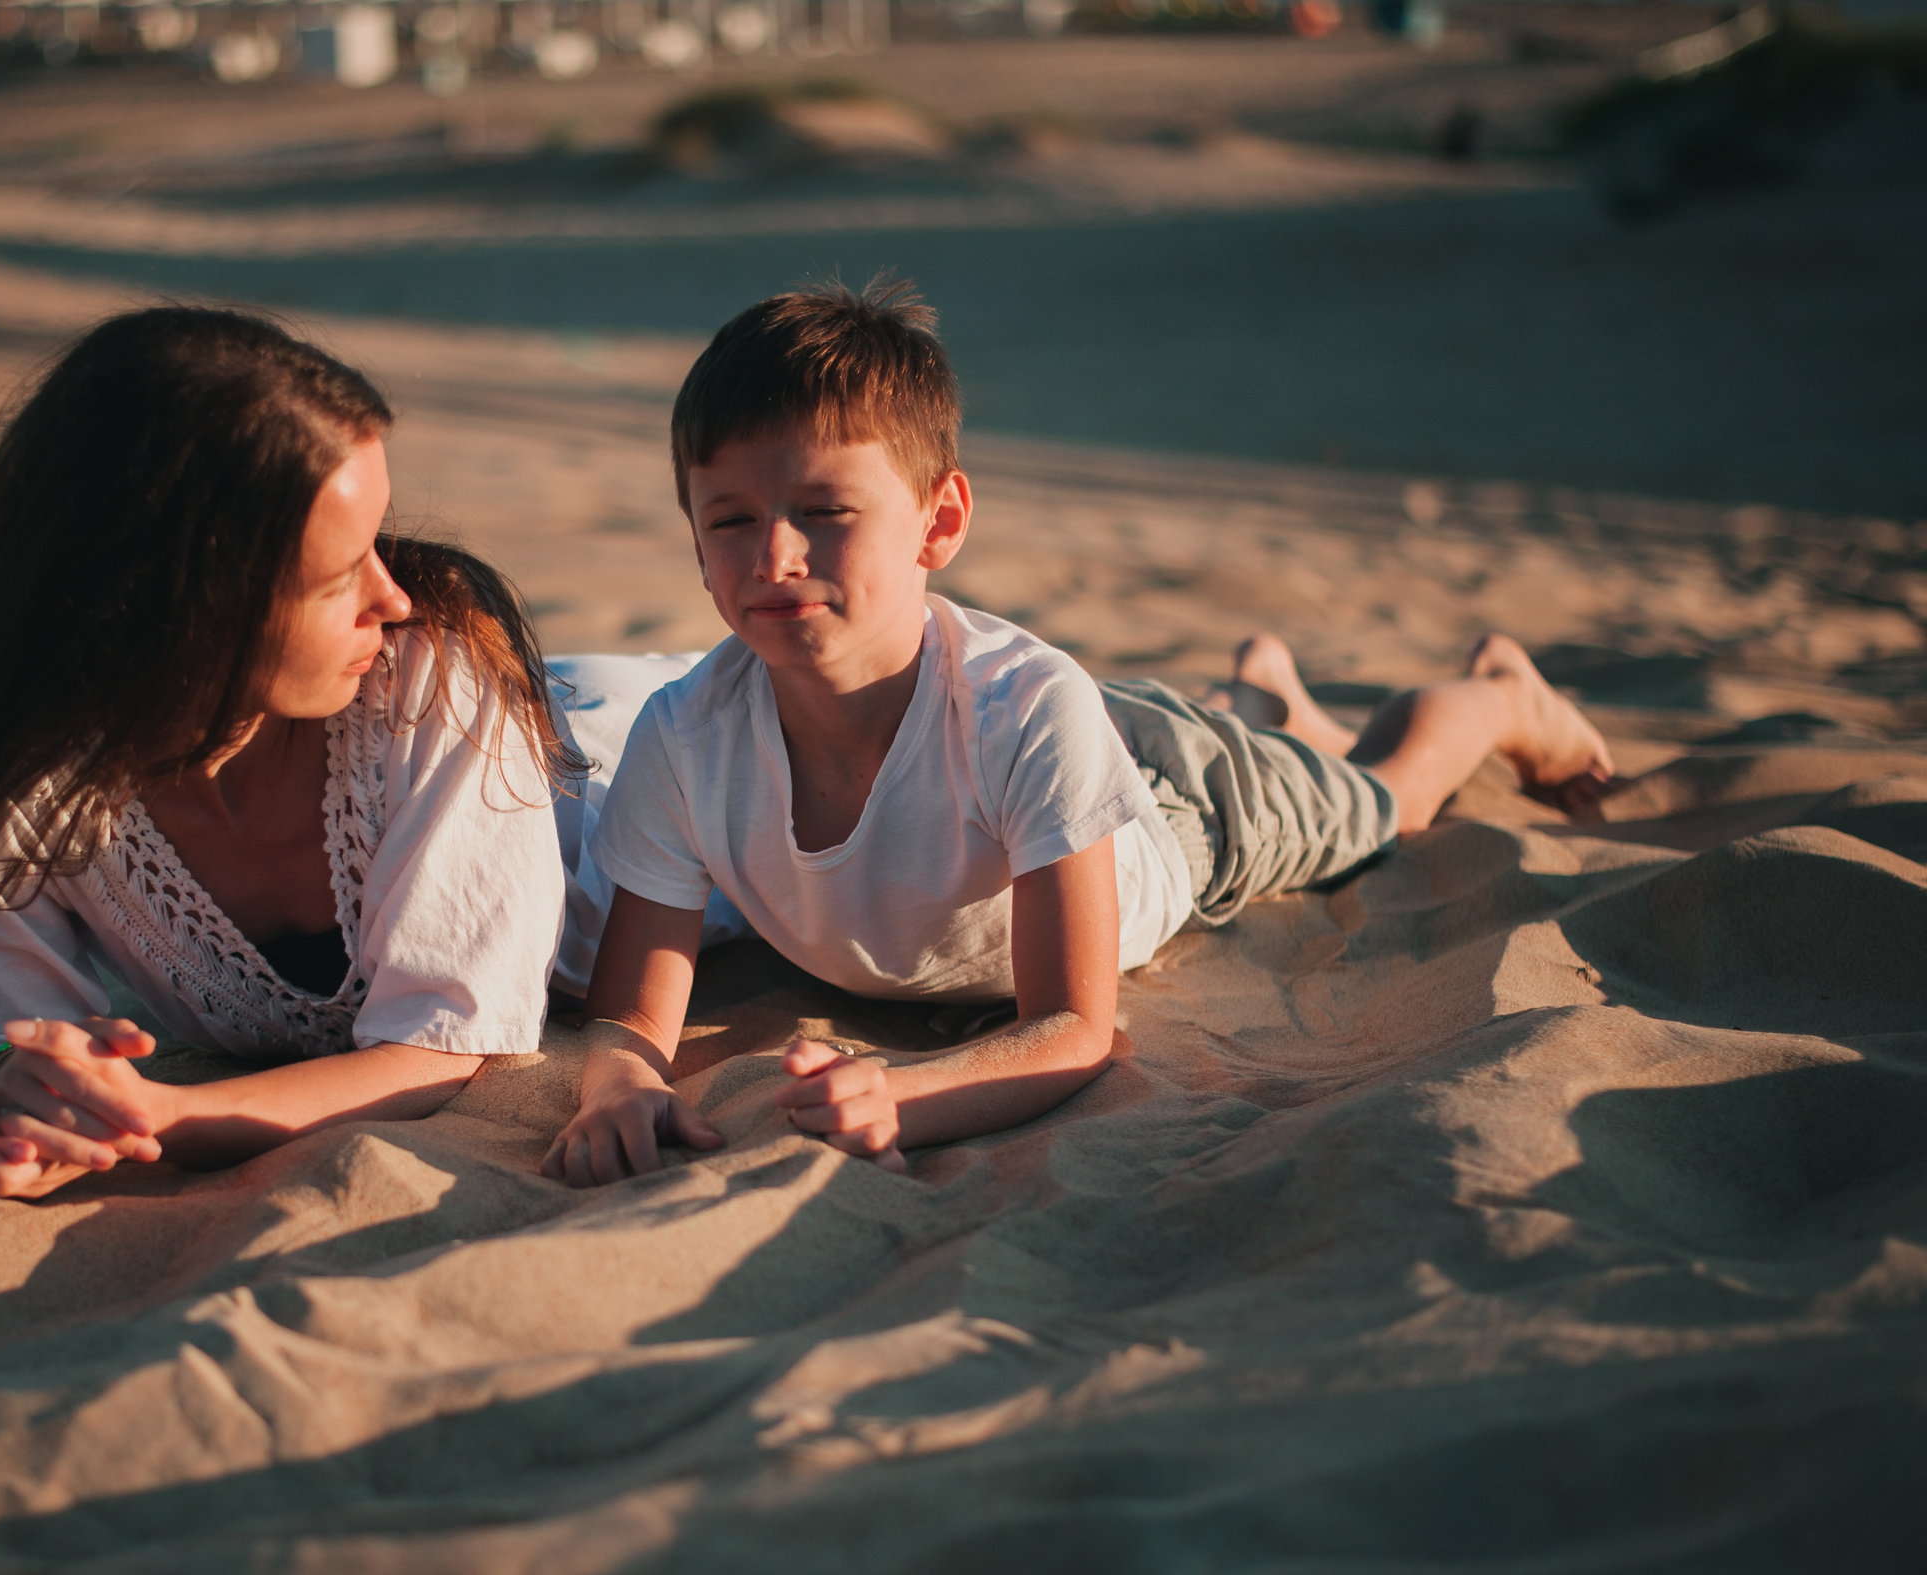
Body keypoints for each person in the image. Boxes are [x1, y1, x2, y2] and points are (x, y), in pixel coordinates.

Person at [543, 279, 1614, 1188]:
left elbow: (1073, 1025)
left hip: (1179, 810)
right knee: (1291, 746)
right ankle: (1265, 700)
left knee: (1388, 794)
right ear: (693, 540)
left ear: (940, 522)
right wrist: (623, 1079)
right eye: (729, 518)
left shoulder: (1019, 710)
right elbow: (633, 1011)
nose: (773, 553)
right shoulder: (684, 736)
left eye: (824, 510)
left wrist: (907, 1096)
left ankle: (1503, 695)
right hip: (1083, 756)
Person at [0, 307, 575, 1200]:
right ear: (186, 604)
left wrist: (155, 1120)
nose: (391, 594)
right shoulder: (6, 725)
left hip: (653, 787)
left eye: (376, 541)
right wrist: (9, 1098)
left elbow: (444, 1047)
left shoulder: (431, 667)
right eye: (340, 573)